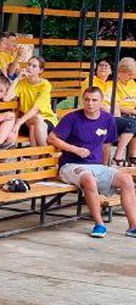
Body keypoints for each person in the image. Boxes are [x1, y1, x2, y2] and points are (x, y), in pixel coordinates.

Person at [48, 86, 136, 238]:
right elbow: (51, 138)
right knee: (89, 179)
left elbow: (107, 145)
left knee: (126, 179)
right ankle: (99, 224)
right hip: (71, 165)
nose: (90, 103)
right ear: (83, 100)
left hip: (96, 165)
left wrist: (106, 166)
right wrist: (75, 149)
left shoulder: (108, 119)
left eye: (94, 100)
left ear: (101, 102)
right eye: (87, 100)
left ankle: (133, 226)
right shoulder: (72, 118)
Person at [13, 56, 58, 149]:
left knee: (35, 123)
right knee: (35, 121)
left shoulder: (45, 85)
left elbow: (35, 109)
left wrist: (19, 122)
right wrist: (17, 79)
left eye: (34, 66)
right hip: (27, 121)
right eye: (29, 64)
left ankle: (37, 156)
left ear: (40, 70)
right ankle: (46, 154)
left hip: (46, 120)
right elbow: (6, 98)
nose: (30, 67)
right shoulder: (21, 82)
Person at [109, 57, 136, 163]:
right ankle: (118, 157)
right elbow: (115, 105)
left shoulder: (132, 84)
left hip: (132, 114)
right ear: (120, 72)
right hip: (120, 115)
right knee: (133, 123)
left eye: (132, 74)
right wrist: (132, 111)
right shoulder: (112, 85)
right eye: (128, 74)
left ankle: (133, 156)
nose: (131, 77)